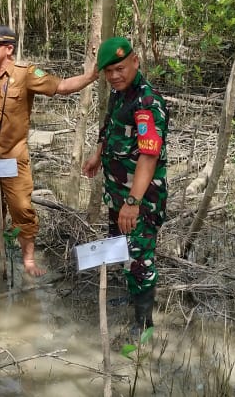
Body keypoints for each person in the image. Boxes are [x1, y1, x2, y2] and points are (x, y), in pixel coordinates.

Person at [0, 24, 98, 276]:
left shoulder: (26, 74)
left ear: (9, 48)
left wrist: (91, 76)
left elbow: (62, 86)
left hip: (12, 158)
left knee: (22, 209)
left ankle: (28, 260)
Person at [82, 37, 168, 332]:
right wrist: (97, 155)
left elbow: (149, 155)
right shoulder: (120, 94)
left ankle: (144, 326)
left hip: (140, 199)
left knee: (140, 259)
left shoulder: (147, 102)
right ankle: (131, 297)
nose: (114, 76)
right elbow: (109, 127)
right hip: (118, 193)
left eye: (120, 68)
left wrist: (133, 203)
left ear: (135, 61)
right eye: (108, 71)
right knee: (121, 247)